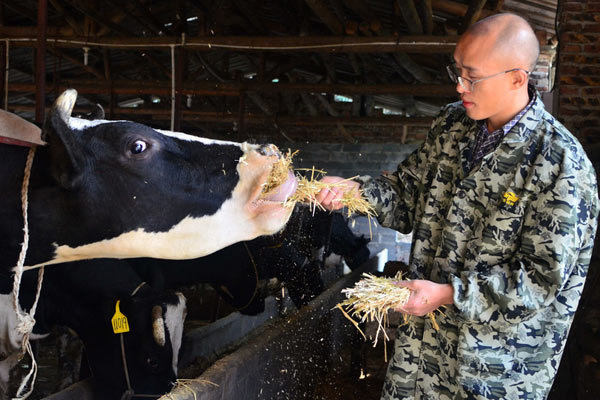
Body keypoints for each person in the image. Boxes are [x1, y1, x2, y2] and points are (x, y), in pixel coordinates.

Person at [316, 13, 599, 400]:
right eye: (458, 71)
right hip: (417, 362)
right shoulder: (451, 125)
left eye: (472, 77)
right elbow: (407, 194)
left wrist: (447, 294)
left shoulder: (560, 164)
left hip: (492, 374)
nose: (459, 85)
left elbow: (540, 281)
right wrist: (353, 191)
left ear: (517, 78)